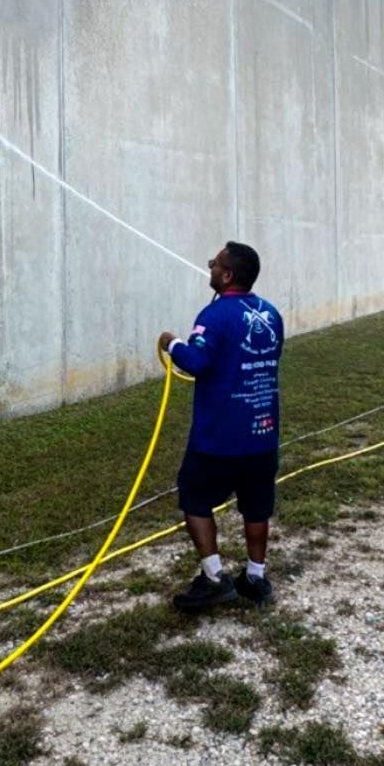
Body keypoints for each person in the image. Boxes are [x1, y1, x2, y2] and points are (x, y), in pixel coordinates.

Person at [157, 241, 284, 612]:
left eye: (216, 263)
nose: (210, 266)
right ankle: (255, 578)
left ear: (227, 275)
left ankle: (214, 578)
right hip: (262, 434)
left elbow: (195, 361)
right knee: (257, 507)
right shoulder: (272, 314)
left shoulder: (213, 316)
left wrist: (172, 342)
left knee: (194, 497)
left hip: (218, 438)